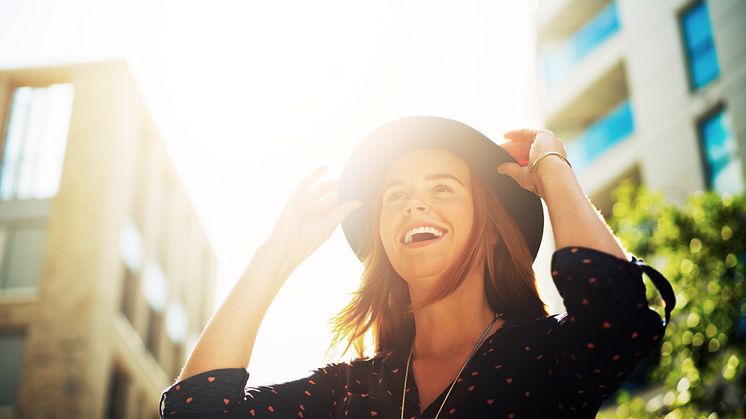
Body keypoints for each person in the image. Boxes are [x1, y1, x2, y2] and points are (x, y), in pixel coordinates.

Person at [159, 116, 675, 418]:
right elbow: (194, 410)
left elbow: (618, 316)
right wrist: (274, 256)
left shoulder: (544, 355)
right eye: (395, 195)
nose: (413, 205)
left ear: (489, 225)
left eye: (442, 188)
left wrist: (553, 170)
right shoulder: (347, 391)